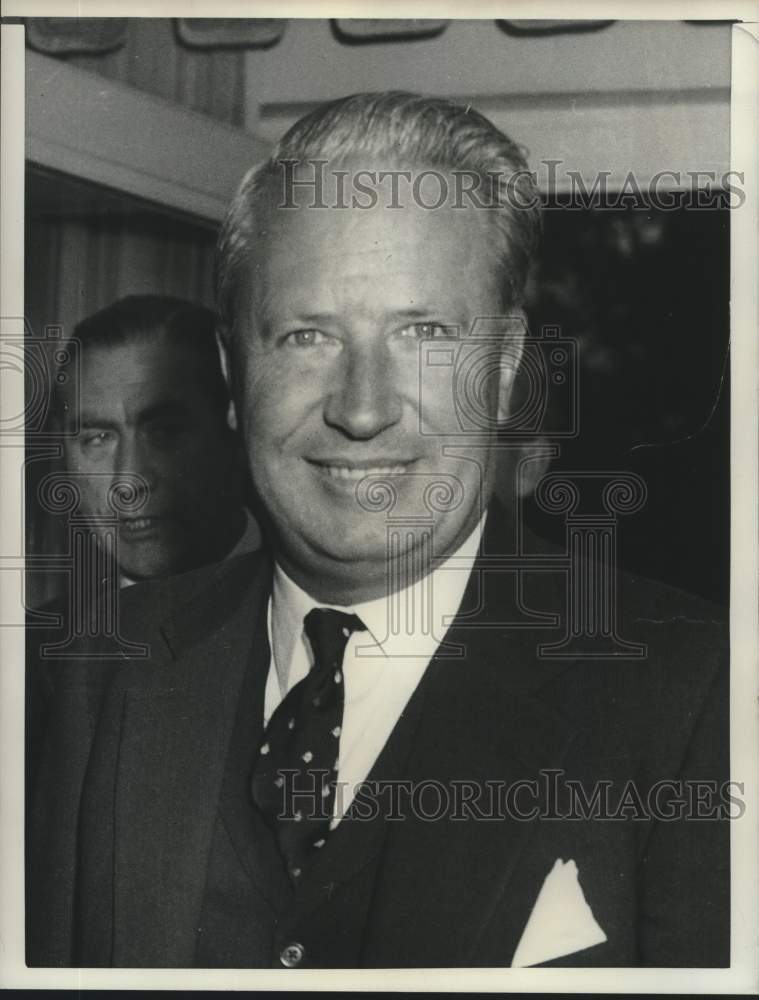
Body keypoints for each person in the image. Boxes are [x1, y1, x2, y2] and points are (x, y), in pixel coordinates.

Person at [26, 94, 729, 969]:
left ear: (505, 368)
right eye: (306, 335)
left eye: (424, 334)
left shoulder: (698, 694)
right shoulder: (103, 669)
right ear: (231, 374)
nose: (361, 409)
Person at [49, 294, 260, 592]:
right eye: (98, 439)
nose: (128, 481)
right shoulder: (32, 636)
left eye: (166, 432)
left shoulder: (320, 611)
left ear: (238, 434)